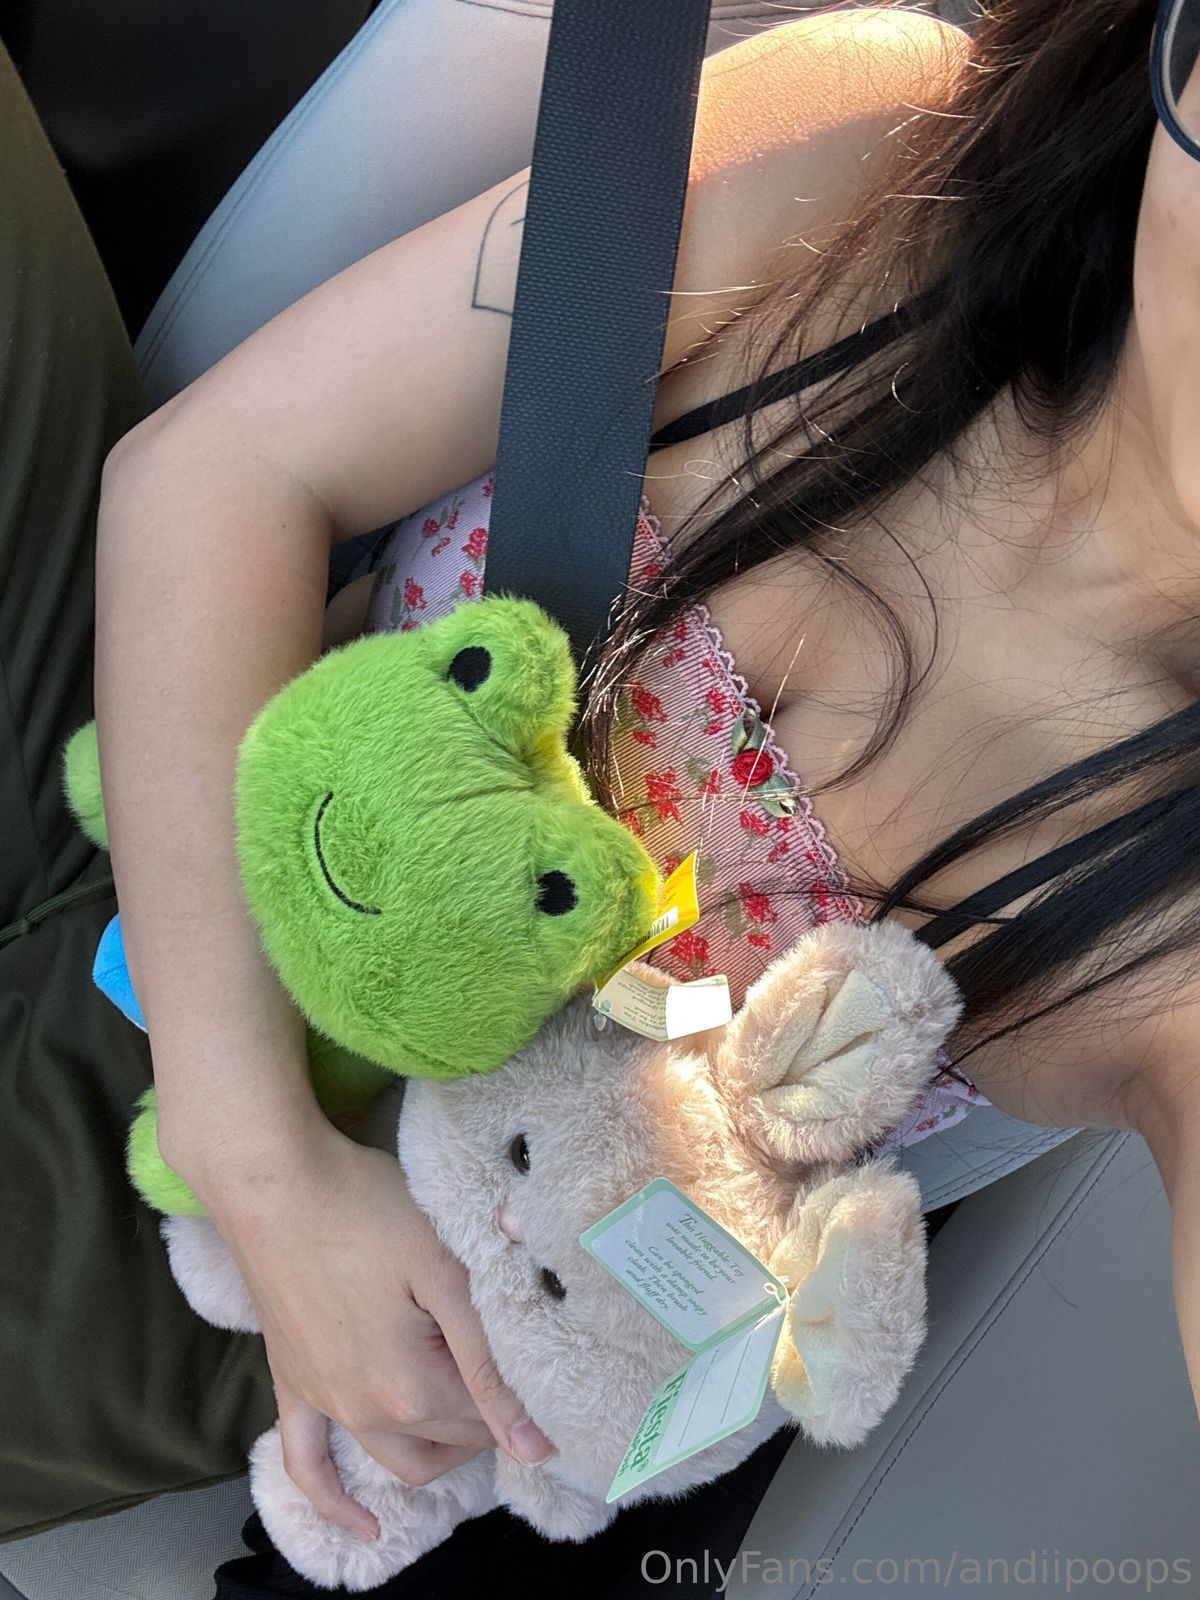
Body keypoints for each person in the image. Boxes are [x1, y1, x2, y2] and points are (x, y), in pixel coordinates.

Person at [2, 0, 1199, 1591]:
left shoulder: (1170, 938)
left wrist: (283, 1200)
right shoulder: (894, 157)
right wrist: (252, 1145)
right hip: (152, 716)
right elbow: (218, 473)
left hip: (280, 1243)